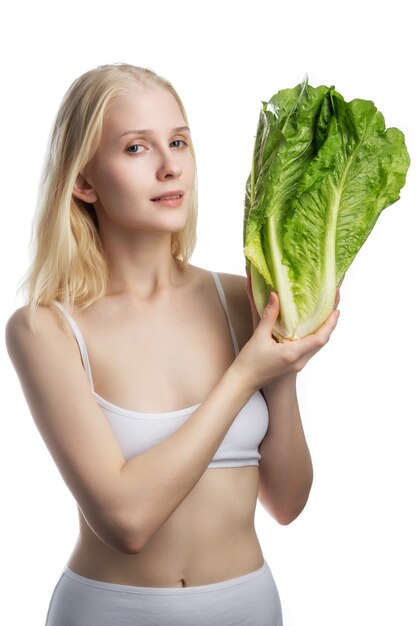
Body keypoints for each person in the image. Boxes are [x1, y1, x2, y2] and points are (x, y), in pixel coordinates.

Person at [4, 63, 340, 626]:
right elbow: (126, 522)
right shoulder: (46, 329)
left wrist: (283, 371)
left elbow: (287, 503)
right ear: (84, 181)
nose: (169, 166)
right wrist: (244, 376)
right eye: (136, 148)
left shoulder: (243, 301)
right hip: (108, 612)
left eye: (178, 141)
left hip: (249, 608)